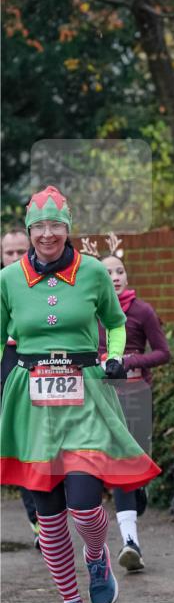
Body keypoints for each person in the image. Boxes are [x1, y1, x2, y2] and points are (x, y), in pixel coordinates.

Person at [0, 186, 161, 603]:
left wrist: (113, 355)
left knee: (85, 506)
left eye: (56, 226)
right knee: (48, 515)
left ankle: (97, 556)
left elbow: (113, 323)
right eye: (38, 227)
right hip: (32, 402)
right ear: (29, 231)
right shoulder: (8, 280)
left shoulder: (91, 272)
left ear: (68, 229)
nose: (47, 235)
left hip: (84, 395)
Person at [98, 252, 171, 572]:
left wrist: (128, 361)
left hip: (138, 398)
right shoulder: (91, 312)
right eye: (108, 272)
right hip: (105, 400)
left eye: (120, 271)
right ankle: (131, 543)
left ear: (127, 277)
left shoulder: (142, 311)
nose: (115, 277)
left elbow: (162, 353)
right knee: (121, 468)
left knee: (135, 469)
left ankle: (136, 499)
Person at [1, 227, 41, 549]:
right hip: (8, 360)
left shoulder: (45, 280)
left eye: (19, 251)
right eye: (8, 253)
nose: (14, 257)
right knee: (20, 445)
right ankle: (37, 520)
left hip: (42, 361)